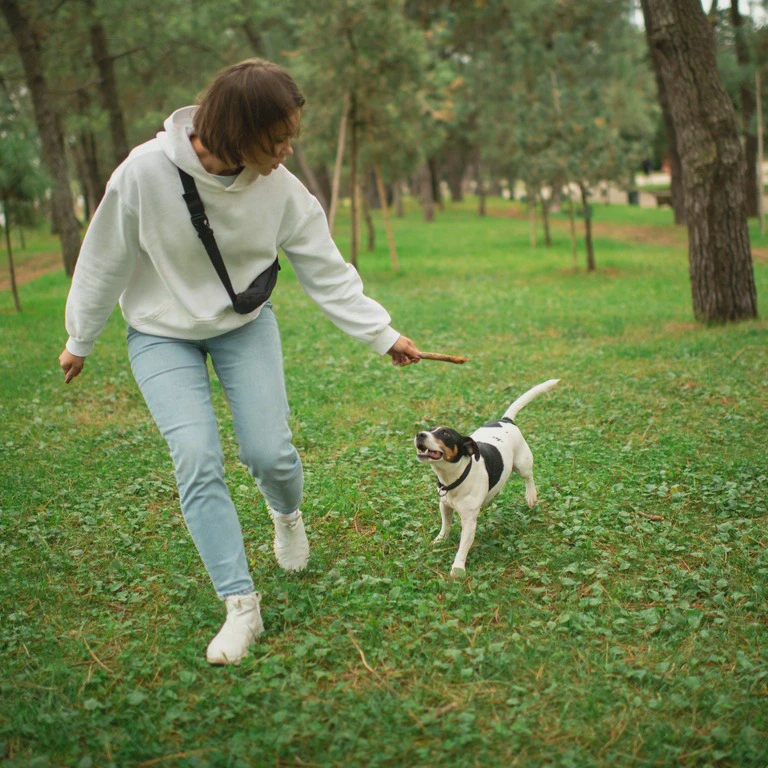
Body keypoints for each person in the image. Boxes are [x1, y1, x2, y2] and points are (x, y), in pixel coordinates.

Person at [58, 58, 422, 666]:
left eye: (290, 138)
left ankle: (287, 513)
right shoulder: (144, 174)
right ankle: (240, 605)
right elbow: (104, 258)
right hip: (159, 333)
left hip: (243, 327)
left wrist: (382, 334)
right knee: (197, 458)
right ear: (234, 128)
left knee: (268, 451)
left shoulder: (280, 188)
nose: (285, 151)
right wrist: (80, 337)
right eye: (275, 138)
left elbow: (326, 271)